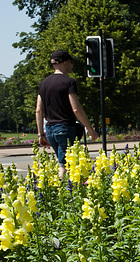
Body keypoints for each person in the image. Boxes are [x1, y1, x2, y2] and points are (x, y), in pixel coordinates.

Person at [36, 50, 99, 178]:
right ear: (64, 63)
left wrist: (40, 134)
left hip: (50, 130)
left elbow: (38, 110)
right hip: (65, 129)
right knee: (63, 165)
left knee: (64, 161)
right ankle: (62, 194)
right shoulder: (69, 82)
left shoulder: (43, 83)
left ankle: (66, 189)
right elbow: (76, 109)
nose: (72, 65)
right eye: (71, 62)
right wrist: (90, 128)